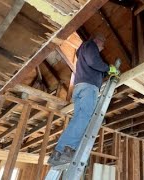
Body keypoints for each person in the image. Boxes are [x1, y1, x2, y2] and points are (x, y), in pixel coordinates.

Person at [48, 34, 120, 165]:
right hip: (88, 87)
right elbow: (94, 61)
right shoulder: (90, 45)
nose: (102, 49)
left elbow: (92, 65)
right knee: (84, 118)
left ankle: (57, 153)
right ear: (98, 41)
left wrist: (106, 71)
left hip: (81, 87)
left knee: (78, 119)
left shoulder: (83, 51)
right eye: (102, 46)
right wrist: (109, 68)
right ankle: (68, 149)